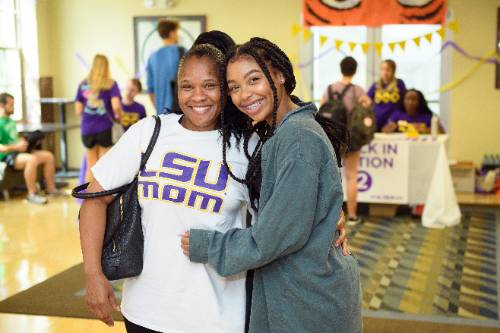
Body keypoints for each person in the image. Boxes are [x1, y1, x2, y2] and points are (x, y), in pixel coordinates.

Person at [182, 37, 362, 333]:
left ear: (279, 75)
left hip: (310, 298)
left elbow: (275, 237)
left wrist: (207, 245)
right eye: (234, 87)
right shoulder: (281, 132)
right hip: (298, 288)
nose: (244, 95)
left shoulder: (297, 138)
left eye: (254, 80)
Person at [80, 42, 256, 333]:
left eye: (210, 85)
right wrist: (92, 274)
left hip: (217, 318)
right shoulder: (150, 132)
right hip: (146, 313)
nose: (198, 96)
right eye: (188, 86)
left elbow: (275, 226)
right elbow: (94, 200)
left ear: (225, 89)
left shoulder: (247, 147)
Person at [321, 56, 371, 225]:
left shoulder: (329, 89)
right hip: (350, 139)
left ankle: (330, 216)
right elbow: (367, 106)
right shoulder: (357, 90)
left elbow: (321, 110)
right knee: (351, 176)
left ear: (341, 68)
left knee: (330, 177)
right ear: (355, 70)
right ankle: (352, 216)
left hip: (332, 138)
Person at [0, 93, 59, 204]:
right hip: (6, 156)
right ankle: (31, 194)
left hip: (17, 152)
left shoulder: (11, 121)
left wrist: (23, 142)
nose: (13, 107)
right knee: (31, 159)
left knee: (48, 156)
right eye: (11, 105)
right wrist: (15, 146)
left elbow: (13, 139)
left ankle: (51, 189)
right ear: (2, 105)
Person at [75, 54, 122, 182]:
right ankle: (102, 200)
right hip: (104, 128)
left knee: (91, 166)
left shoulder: (83, 85)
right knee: (103, 167)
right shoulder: (111, 84)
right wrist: (119, 118)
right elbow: (116, 106)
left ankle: (87, 199)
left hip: (87, 130)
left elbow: (78, 111)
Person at [146, 19, 184, 115]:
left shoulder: (152, 57)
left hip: (161, 114)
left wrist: (160, 108)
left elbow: (150, 91)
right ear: (172, 33)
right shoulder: (184, 52)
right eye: (177, 32)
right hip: (181, 113)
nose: (178, 35)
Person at [367, 59, 407, 130]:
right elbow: (367, 99)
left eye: (388, 70)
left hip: (393, 122)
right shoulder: (376, 85)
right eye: (382, 69)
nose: (384, 72)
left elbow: (405, 102)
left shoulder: (399, 83)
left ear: (393, 71)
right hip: (377, 121)